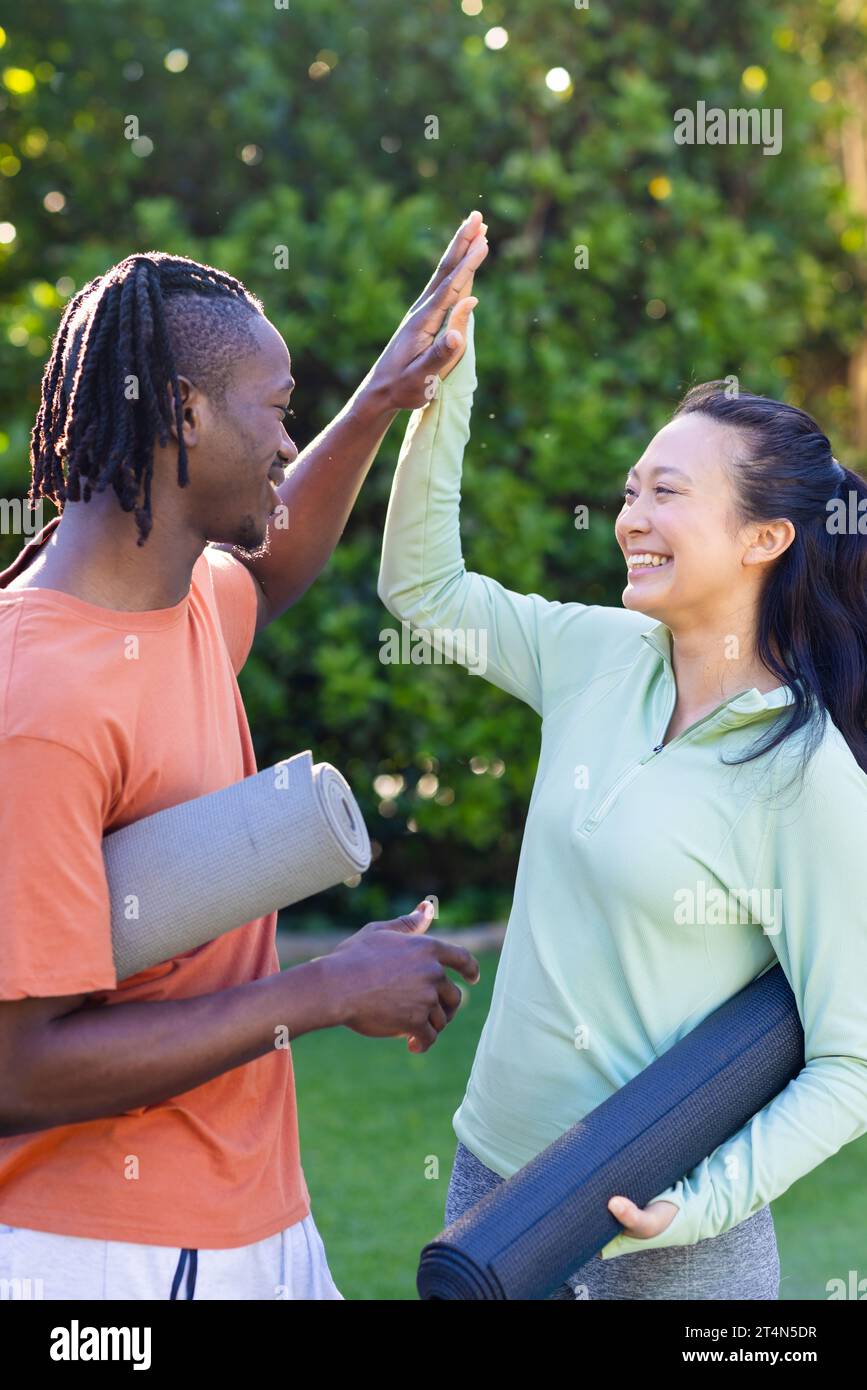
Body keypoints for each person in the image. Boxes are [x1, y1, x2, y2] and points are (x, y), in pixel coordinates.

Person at [0, 214, 489, 1300]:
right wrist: (321, 990)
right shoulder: (36, 699)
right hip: (108, 1254)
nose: (284, 443)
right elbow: (14, 1067)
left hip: (257, 1223)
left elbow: (269, 573)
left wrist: (376, 403)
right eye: (276, 413)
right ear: (182, 411)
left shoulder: (185, 603)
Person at [378, 262, 867, 1299]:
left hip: (675, 1243)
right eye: (630, 491)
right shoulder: (595, 654)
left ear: (765, 538)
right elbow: (423, 589)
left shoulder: (806, 772)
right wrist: (445, 382)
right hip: (493, 1186)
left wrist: (705, 1200)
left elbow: (851, 1062)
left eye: (668, 493)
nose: (632, 516)